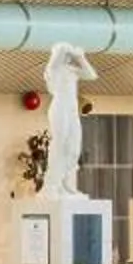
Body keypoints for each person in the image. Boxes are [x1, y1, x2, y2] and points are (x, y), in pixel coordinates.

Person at [42, 42, 96, 198]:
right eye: (65, 55)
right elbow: (53, 62)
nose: (67, 57)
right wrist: (62, 49)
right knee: (60, 144)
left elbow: (91, 75)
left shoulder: (72, 71)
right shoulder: (53, 70)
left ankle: (66, 183)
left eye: (67, 55)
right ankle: (52, 184)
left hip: (72, 111)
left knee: (73, 148)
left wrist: (81, 57)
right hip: (60, 109)